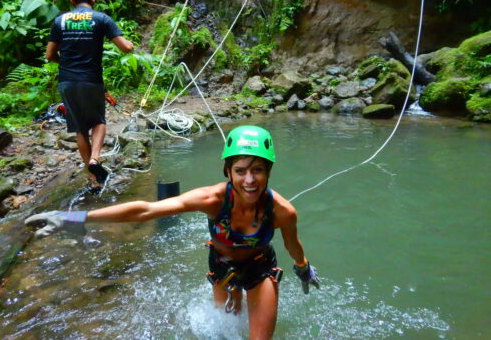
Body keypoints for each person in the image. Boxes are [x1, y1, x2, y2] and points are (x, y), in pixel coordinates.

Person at [25, 125, 320, 340]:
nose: (249, 179)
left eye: (258, 170)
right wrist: (75, 217)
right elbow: (146, 210)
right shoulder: (211, 200)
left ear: (268, 171)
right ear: (227, 172)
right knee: (224, 328)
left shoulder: (282, 211)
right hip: (222, 267)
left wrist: (303, 269)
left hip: (260, 268)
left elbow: (292, 242)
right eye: (240, 170)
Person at [46, 0, 134, 192]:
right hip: (91, 79)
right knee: (99, 121)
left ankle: (91, 177)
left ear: (71, 0)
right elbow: (126, 48)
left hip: (67, 81)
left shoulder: (60, 20)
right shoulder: (101, 19)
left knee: (79, 128)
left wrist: (66, 63)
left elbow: (50, 55)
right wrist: (130, 44)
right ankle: (95, 158)